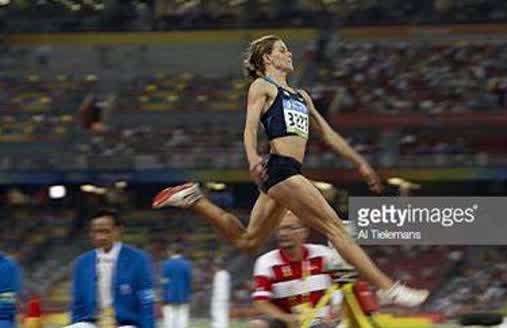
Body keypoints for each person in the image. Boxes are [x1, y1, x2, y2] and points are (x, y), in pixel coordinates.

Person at [153, 35, 428, 306]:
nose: (289, 54)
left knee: (248, 242)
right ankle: (387, 288)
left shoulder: (302, 97)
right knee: (336, 229)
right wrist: (252, 158)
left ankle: (194, 199)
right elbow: (249, 127)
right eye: (283, 50)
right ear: (268, 58)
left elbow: (328, 134)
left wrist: (359, 162)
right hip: (281, 169)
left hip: (285, 174)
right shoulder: (262, 87)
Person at [249, 211, 340, 328]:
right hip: (288, 322)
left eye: (290, 228)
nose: (283, 233)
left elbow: (342, 287)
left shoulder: (324, 254)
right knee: (257, 325)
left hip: (323, 322)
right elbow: (261, 302)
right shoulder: (266, 262)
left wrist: (335, 310)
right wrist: (286, 318)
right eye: (280, 229)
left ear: (305, 231)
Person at [68, 209, 154, 328]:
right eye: (96, 232)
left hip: (126, 324)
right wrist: (75, 324)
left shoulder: (139, 259)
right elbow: (77, 303)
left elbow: (146, 301)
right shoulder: (82, 263)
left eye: (106, 231)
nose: (101, 237)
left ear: (118, 230)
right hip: (91, 323)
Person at [160, 245, 192, 328]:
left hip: (169, 296)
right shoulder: (186, 264)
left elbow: (164, 281)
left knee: (170, 319)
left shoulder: (167, 264)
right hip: (183, 296)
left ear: (171, 251)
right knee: (182, 318)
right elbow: (189, 281)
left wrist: (163, 294)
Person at [210, 257, 230, 328]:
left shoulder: (219, 274)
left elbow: (218, 290)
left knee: (218, 316)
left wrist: (216, 300)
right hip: (224, 299)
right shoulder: (226, 274)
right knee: (222, 317)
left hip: (219, 299)